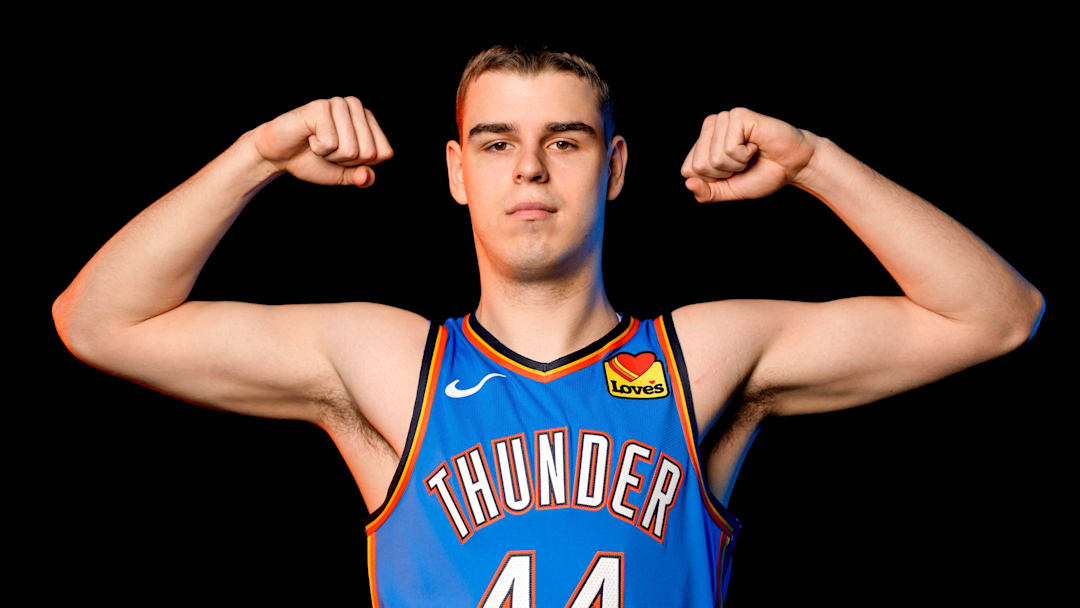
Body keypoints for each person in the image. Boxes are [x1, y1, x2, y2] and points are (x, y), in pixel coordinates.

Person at [52, 44, 1044, 606]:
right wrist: (254, 156)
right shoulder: (394, 360)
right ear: (457, 173)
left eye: (564, 140)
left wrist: (818, 158)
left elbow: (997, 316)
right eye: (497, 142)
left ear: (613, 168)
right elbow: (98, 321)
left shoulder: (701, 356)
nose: (529, 168)